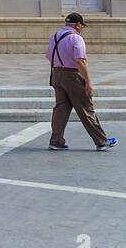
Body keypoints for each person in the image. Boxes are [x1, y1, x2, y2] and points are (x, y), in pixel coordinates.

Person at [46, 12, 116, 151]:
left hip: (56, 74)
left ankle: (56, 141)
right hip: (72, 76)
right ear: (78, 25)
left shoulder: (54, 36)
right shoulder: (76, 39)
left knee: (61, 109)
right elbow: (80, 61)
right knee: (85, 108)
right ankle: (101, 141)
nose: (81, 28)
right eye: (81, 26)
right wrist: (88, 82)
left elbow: (48, 56)